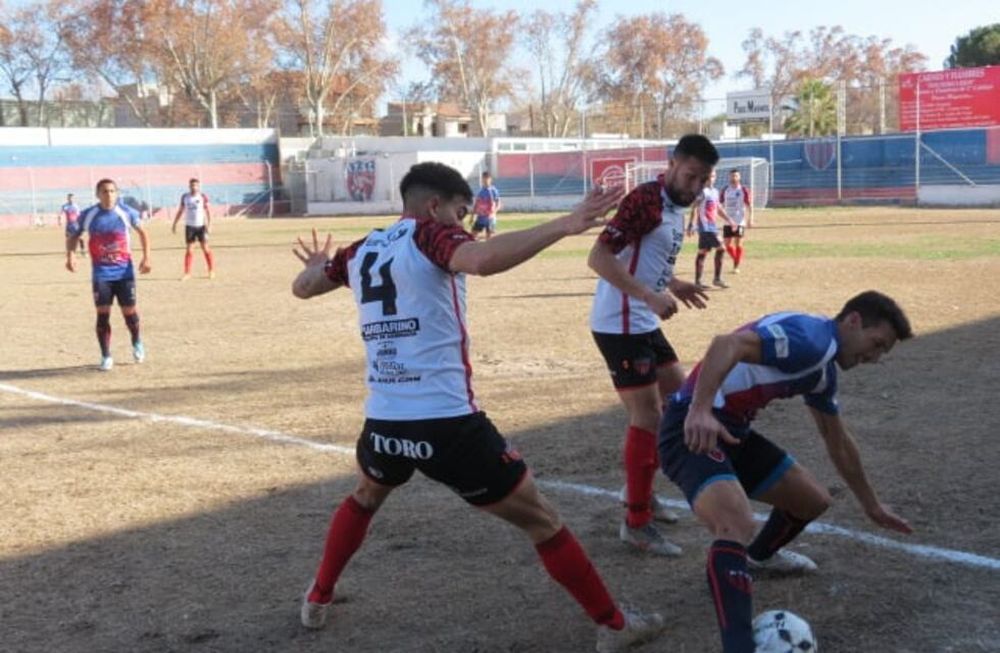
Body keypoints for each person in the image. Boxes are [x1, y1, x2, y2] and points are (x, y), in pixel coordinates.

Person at [291, 162, 664, 652]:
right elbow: (482, 260)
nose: (462, 224)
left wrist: (317, 265)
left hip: (385, 419)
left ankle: (317, 598)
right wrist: (565, 224)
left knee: (366, 496)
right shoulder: (430, 235)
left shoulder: (363, 248)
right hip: (447, 424)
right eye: (459, 212)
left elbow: (304, 287)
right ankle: (616, 628)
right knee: (543, 520)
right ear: (433, 207)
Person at [658, 290, 914, 653]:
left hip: (733, 433)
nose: (873, 357)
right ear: (853, 320)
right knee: (735, 523)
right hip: (690, 428)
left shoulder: (822, 370)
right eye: (876, 344)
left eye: (882, 352)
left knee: (812, 501)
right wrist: (699, 410)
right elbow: (726, 344)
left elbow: (836, 439)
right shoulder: (810, 340)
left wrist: (871, 505)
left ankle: (754, 559)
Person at [588, 134, 715, 557]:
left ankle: (639, 493)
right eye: (691, 175)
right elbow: (599, 258)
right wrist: (647, 296)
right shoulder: (646, 200)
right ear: (673, 162)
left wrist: (673, 284)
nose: (696, 186)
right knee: (649, 417)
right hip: (621, 322)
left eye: (703, 179)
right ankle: (636, 522)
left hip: (642, 319)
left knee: (679, 407)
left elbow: (645, 258)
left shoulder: (679, 205)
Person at [65, 179, 151, 371]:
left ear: (117, 193)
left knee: (129, 312)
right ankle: (106, 355)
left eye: (112, 191)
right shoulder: (89, 215)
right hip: (101, 274)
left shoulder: (126, 212)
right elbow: (73, 236)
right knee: (103, 314)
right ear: (97, 194)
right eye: (105, 191)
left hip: (124, 273)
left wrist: (146, 258)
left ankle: (136, 341)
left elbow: (143, 233)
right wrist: (70, 256)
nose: (109, 194)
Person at [687, 169, 735, 289]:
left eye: (713, 176)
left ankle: (698, 282)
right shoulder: (702, 192)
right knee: (722, 247)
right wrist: (690, 224)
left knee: (703, 252)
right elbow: (694, 207)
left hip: (712, 225)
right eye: (709, 176)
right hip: (705, 226)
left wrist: (729, 219)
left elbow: (718, 208)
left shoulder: (715, 192)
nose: (711, 179)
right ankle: (717, 279)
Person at [171, 178, 215, 280]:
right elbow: (180, 211)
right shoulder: (185, 197)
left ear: (198, 186)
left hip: (201, 226)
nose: (194, 187)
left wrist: (210, 224)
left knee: (205, 248)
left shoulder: (203, 197)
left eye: (196, 185)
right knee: (189, 250)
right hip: (189, 226)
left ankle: (211, 271)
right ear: (189, 186)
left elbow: (208, 212)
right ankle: (187, 273)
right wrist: (175, 223)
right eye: (192, 185)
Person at [721, 169, 753, 274]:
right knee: (726, 245)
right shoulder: (725, 190)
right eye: (732, 176)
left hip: (739, 221)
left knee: (738, 243)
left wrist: (750, 219)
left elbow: (749, 205)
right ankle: (736, 258)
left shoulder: (743, 190)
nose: (733, 178)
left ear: (739, 177)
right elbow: (719, 204)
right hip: (728, 221)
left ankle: (736, 266)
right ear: (729, 177)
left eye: (735, 176)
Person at [471, 170, 501, 240]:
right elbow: (476, 204)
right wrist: (472, 216)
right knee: (472, 235)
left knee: (489, 238)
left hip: (490, 219)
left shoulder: (493, 191)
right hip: (480, 218)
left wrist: (494, 213)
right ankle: (477, 249)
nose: (484, 180)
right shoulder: (480, 191)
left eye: (486, 178)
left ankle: (490, 250)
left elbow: (498, 204)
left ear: (490, 179)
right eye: (483, 178)